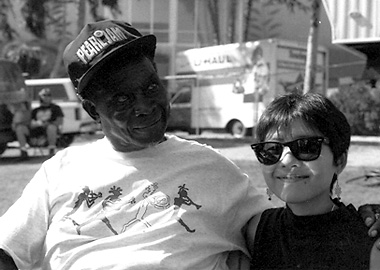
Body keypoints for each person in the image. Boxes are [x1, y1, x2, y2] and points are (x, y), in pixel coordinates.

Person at [0, 20, 378, 270]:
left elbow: (290, 229)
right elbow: (8, 250)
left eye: (151, 87)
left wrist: (360, 220)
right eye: (121, 99)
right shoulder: (59, 171)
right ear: (90, 109)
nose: (145, 105)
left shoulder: (210, 167)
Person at [247, 92, 380, 270]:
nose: (286, 161)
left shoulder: (370, 240)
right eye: (272, 150)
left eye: (306, 147)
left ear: (339, 160)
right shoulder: (258, 231)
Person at [13, 87, 64, 159]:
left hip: (49, 130)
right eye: (44, 95)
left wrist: (47, 124)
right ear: (40, 97)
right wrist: (34, 124)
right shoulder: (36, 110)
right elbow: (31, 122)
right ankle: (23, 151)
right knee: (20, 128)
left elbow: (59, 121)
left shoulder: (56, 108)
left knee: (51, 127)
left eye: (48, 95)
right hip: (36, 130)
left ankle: (51, 150)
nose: (46, 97)